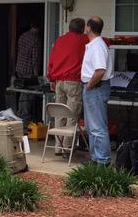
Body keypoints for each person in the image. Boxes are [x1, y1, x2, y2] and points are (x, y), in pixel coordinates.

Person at [46, 17, 88, 150]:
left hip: (59, 82)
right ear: (82, 29)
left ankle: (58, 147)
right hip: (73, 82)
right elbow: (102, 41)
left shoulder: (60, 40)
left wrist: (51, 79)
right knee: (72, 114)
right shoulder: (83, 39)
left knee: (60, 113)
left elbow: (51, 61)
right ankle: (67, 147)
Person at [81, 15, 114, 165]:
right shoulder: (95, 44)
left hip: (96, 88)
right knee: (91, 126)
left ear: (89, 27)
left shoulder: (98, 46)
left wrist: (89, 85)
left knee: (98, 126)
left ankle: (102, 161)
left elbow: (100, 71)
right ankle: (95, 158)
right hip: (94, 88)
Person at [14, 24, 42, 120]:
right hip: (28, 70)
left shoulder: (23, 36)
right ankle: (25, 114)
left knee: (22, 91)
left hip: (19, 68)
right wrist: (36, 74)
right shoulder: (35, 40)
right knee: (28, 93)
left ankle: (20, 112)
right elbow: (35, 59)